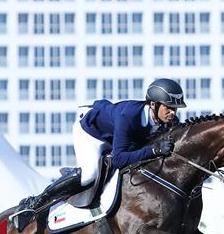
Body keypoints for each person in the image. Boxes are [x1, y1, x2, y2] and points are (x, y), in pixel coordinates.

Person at [18, 79, 185, 214]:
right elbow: (119, 159)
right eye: (168, 108)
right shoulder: (128, 116)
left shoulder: (169, 122)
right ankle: (37, 201)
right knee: (89, 174)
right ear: (154, 105)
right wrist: (154, 150)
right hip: (91, 132)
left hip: (116, 137)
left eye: (175, 109)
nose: (173, 113)